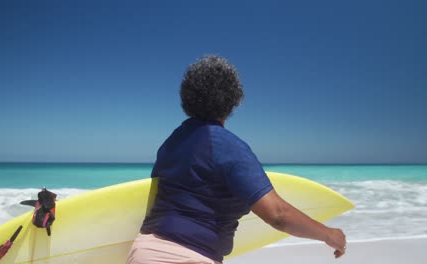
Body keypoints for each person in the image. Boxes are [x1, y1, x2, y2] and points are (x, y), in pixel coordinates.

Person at [127, 55, 347, 264]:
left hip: (142, 252)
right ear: (232, 99)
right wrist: (330, 235)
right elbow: (278, 215)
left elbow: (154, 198)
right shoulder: (228, 147)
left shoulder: (171, 143)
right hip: (189, 257)